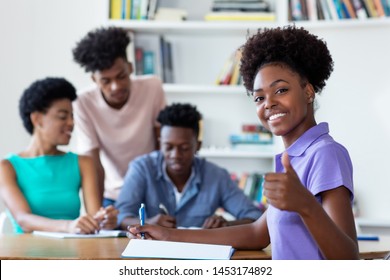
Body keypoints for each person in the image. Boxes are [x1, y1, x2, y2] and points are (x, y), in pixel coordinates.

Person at [128, 26, 359, 260]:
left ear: (308, 91)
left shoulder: (325, 153)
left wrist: (306, 205)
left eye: (281, 90)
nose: (268, 103)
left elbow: (349, 260)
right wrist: (168, 235)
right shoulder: (295, 157)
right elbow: (257, 233)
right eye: (259, 97)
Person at [115, 103, 262, 229]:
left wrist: (226, 226)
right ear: (160, 144)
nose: (175, 155)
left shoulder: (216, 176)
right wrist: (148, 223)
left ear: (197, 146)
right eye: (168, 147)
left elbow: (255, 216)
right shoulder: (142, 168)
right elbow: (121, 216)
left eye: (184, 148)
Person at [0, 77, 118, 234]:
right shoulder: (8, 167)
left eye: (72, 116)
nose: (71, 123)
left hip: (71, 252)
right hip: (26, 254)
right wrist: (68, 226)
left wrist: (103, 220)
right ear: (37, 119)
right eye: (63, 116)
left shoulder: (83, 163)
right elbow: (23, 220)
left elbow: (94, 217)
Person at [72, 27, 166, 207]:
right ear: (94, 79)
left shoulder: (153, 87)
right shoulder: (83, 102)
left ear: (130, 68)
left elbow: (161, 145)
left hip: (150, 191)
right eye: (106, 81)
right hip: (112, 196)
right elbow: (92, 164)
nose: (115, 87)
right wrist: (96, 214)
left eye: (121, 76)